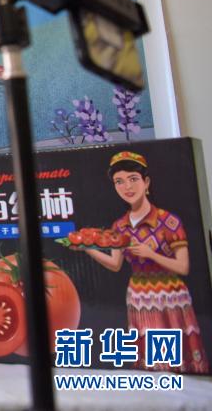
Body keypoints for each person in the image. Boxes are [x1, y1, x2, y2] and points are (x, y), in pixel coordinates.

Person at [80, 151, 208, 373]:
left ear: (146, 182)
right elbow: (115, 264)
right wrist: (87, 248)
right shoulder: (119, 226)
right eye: (119, 181)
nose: (127, 187)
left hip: (170, 295)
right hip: (139, 296)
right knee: (149, 360)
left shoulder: (169, 221)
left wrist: (152, 255)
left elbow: (183, 267)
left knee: (177, 359)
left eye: (133, 179)